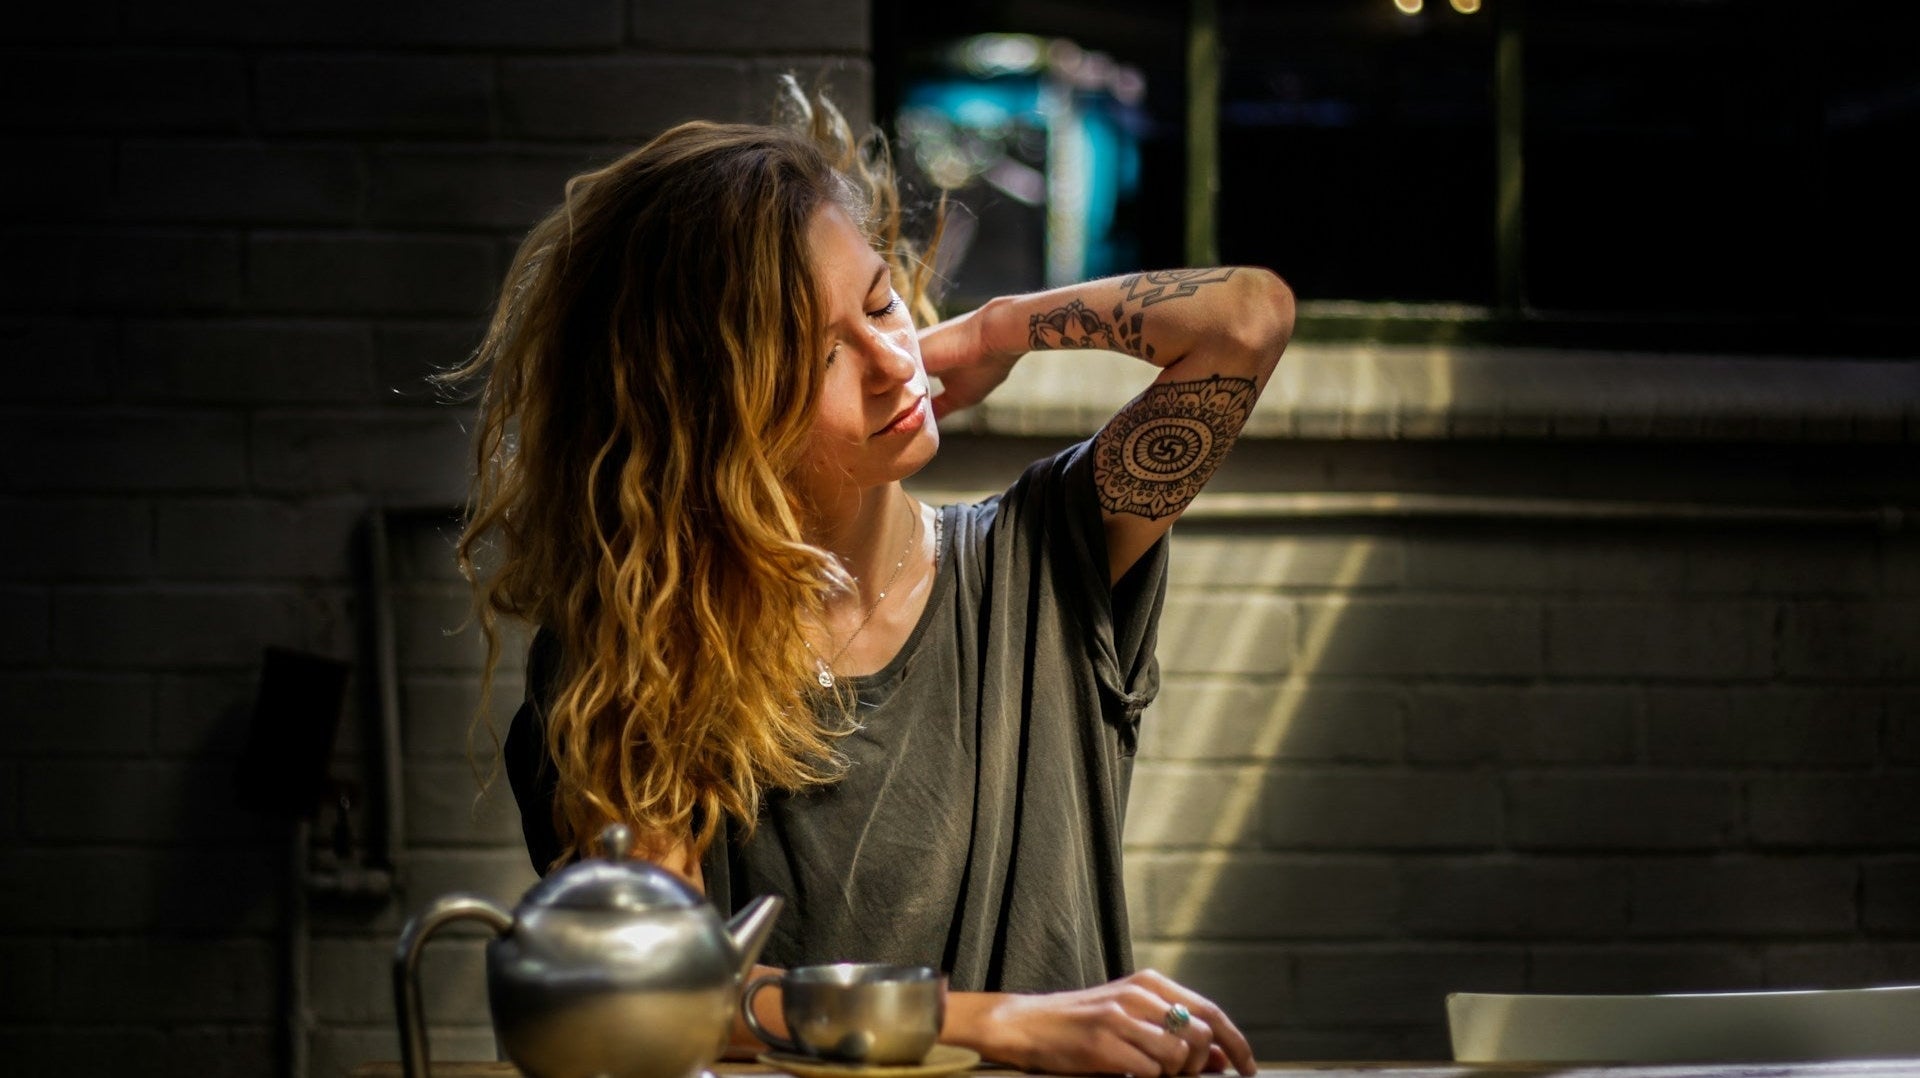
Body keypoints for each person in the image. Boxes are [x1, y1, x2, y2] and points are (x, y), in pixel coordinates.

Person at [450, 80, 1294, 1077]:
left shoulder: (1044, 560)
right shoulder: (639, 653)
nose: (893, 362)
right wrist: (994, 1022)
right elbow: (652, 993)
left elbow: (1245, 320)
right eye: (815, 358)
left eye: (883, 300)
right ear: (709, 417)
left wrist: (997, 329)